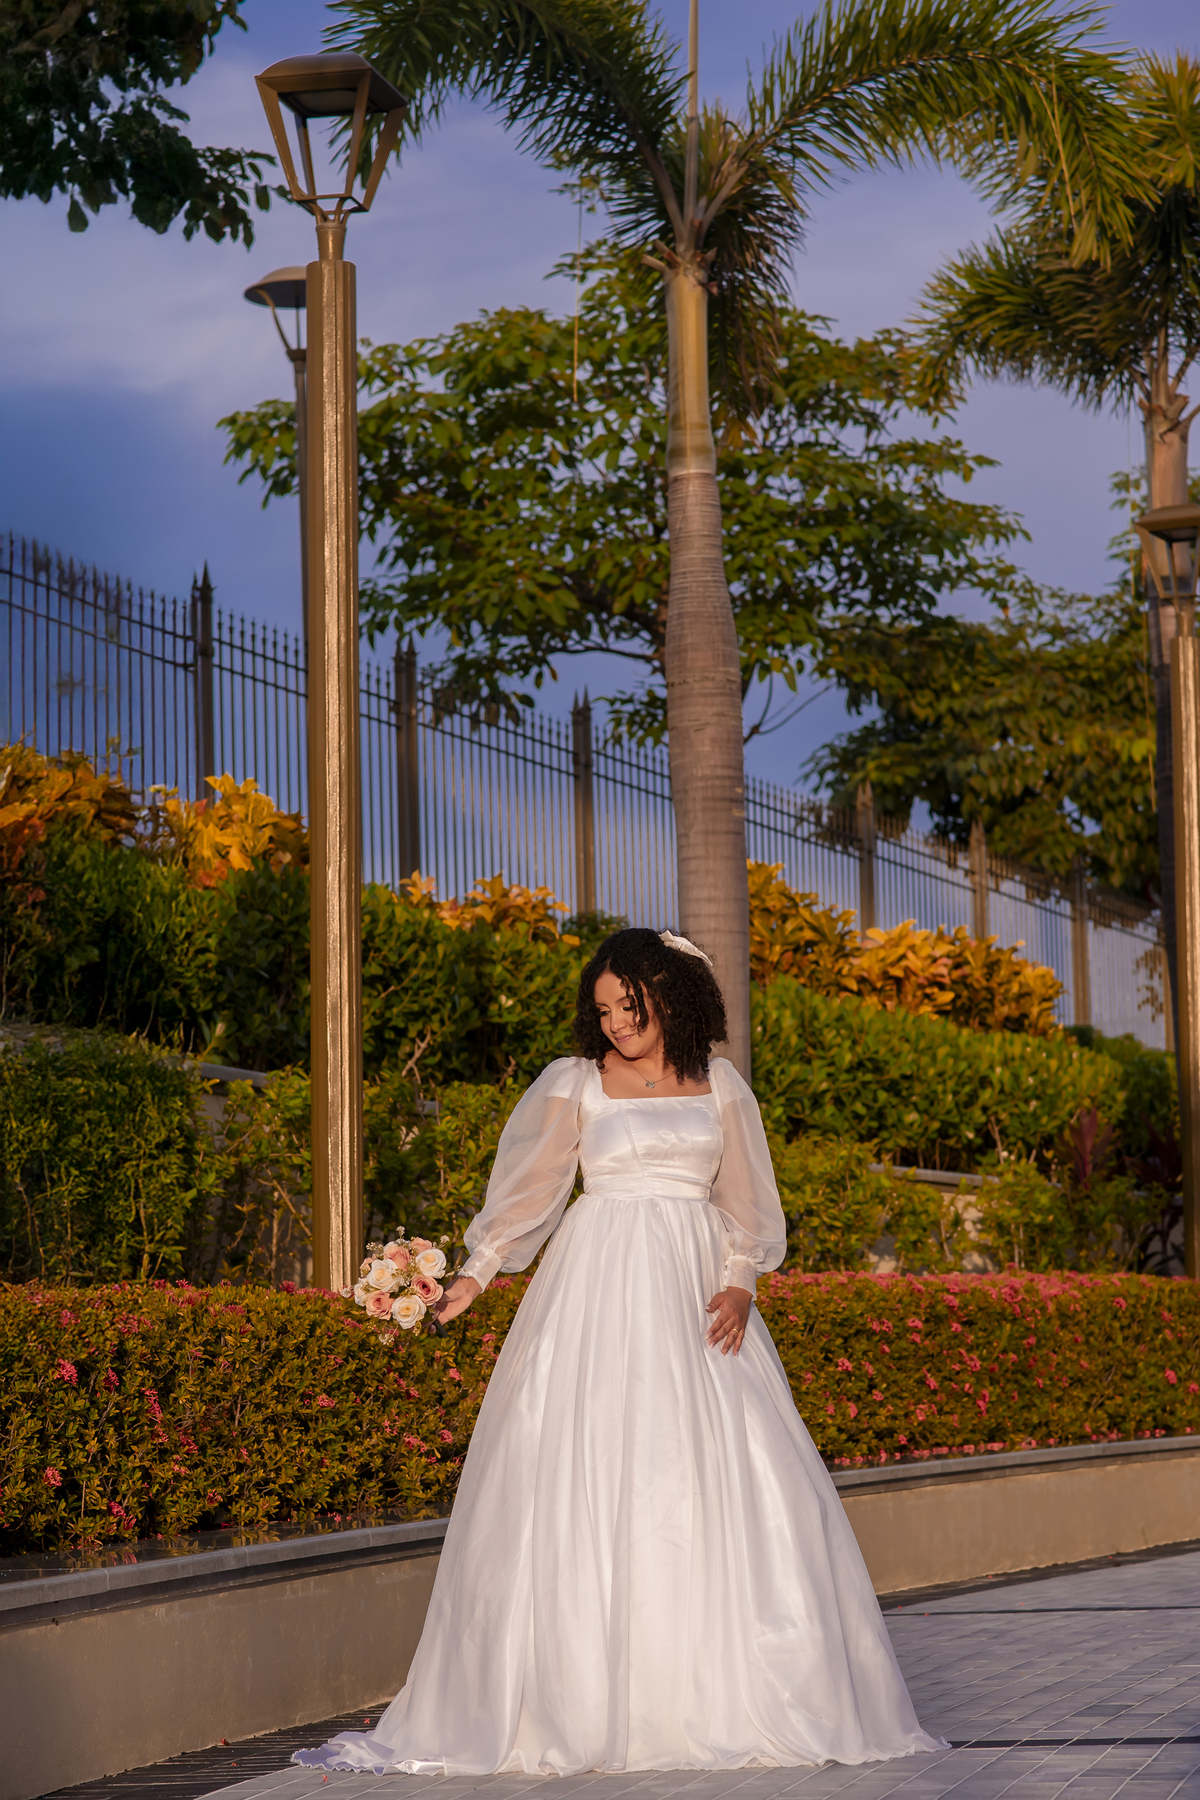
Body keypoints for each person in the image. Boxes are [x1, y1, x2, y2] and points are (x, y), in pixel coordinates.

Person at [295, 928, 944, 1775]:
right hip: (595, 1286)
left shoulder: (720, 1085)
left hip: (695, 1297)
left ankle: (721, 1690)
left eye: (627, 1005)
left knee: (722, 1473)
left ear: (668, 993)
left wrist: (741, 1282)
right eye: (601, 1010)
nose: (615, 1023)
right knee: (585, 1466)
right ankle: (572, 1699)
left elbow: (746, 1203)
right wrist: (472, 1277)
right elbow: (529, 1195)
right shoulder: (576, 1082)